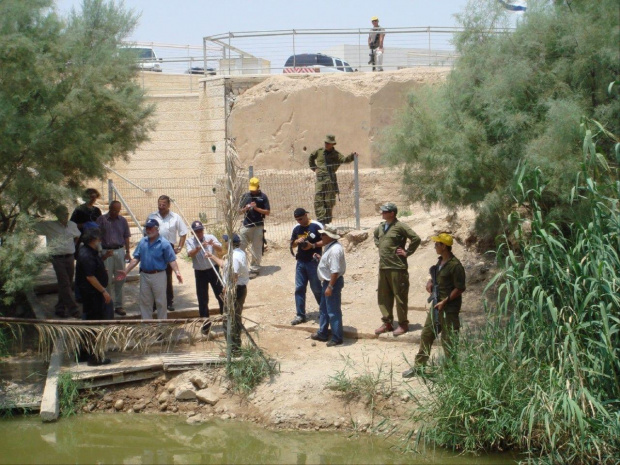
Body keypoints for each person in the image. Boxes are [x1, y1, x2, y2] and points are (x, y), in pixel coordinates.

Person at [403, 233, 466, 378]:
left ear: (444, 246)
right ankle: (419, 366)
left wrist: (445, 301)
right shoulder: (440, 262)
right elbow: (436, 278)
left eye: (437, 244)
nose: (435, 246)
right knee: (426, 335)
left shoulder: (455, 266)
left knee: (449, 340)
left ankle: (451, 373)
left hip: (449, 309)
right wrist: (431, 283)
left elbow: (460, 287)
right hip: (437, 306)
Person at [117, 219, 183, 320]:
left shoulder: (164, 243)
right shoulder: (143, 241)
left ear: (157, 229)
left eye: (150, 228)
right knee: (145, 302)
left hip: (159, 275)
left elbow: (172, 260)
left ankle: (162, 327)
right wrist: (126, 271)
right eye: (147, 228)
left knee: (161, 301)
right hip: (144, 275)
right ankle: (147, 327)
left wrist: (177, 272)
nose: (148, 230)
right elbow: (136, 259)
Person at [374, 202, 421, 336]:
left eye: (384, 211)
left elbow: (416, 238)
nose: (382, 213)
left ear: (392, 213)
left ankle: (403, 324)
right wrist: (380, 245)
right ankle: (387, 323)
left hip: (397, 267)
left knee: (400, 297)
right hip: (383, 267)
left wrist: (407, 252)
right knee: (383, 296)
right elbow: (375, 237)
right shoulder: (381, 226)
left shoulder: (400, 226)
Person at [205, 234, 250, 355]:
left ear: (229, 243)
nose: (224, 243)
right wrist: (212, 256)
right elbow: (225, 266)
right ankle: (234, 348)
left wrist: (226, 289)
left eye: (225, 241)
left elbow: (234, 276)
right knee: (233, 319)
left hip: (235, 291)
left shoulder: (235, 257)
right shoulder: (237, 254)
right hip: (237, 289)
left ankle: (233, 350)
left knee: (229, 320)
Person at [34, 205, 81, 318]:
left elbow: (77, 235)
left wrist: (72, 246)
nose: (65, 216)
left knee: (66, 284)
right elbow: (33, 227)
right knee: (64, 283)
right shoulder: (49, 226)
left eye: (66, 214)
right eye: (62, 214)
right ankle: (73, 309)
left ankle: (60, 308)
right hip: (57, 258)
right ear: (57, 215)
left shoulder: (72, 225)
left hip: (70, 257)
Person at [75, 228, 112, 366]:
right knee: (94, 326)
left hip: (91, 295)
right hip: (93, 296)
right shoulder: (87, 255)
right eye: (98, 239)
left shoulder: (90, 252)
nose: (100, 241)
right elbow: (90, 277)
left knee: (89, 325)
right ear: (92, 240)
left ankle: (84, 354)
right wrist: (103, 291)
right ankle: (95, 357)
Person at [148, 195, 187, 311]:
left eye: (164, 204)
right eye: (159, 204)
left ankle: (169, 302)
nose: (161, 207)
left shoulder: (175, 217)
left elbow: (183, 233)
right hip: (154, 248)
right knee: (155, 276)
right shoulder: (152, 216)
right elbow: (146, 233)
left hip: (169, 248)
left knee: (167, 276)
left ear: (169, 205)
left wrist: (179, 247)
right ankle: (155, 303)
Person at [309, 135, 358, 225]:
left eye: (328, 143)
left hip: (330, 181)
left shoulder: (336, 154)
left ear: (333, 144)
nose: (326, 144)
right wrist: (314, 168)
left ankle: (327, 222)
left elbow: (344, 160)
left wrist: (352, 156)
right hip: (320, 180)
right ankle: (321, 221)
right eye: (325, 143)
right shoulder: (319, 152)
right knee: (318, 201)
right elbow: (311, 157)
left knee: (329, 201)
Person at [310, 224, 346, 347]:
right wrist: (321, 259)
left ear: (330, 236)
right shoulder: (330, 247)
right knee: (324, 309)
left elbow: (335, 271)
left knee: (333, 311)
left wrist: (330, 287)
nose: (321, 236)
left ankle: (337, 337)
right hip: (328, 282)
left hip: (332, 283)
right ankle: (323, 333)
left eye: (323, 234)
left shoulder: (335, 250)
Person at [185, 220, 224, 328]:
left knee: (220, 293)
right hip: (200, 272)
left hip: (213, 269)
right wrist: (198, 247)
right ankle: (206, 324)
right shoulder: (189, 241)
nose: (199, 233)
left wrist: (213, 245)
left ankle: (225, 317)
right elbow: (190, 254)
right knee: (202, 298)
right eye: (197, 231)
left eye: (201, 230)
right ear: (193, 232)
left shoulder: (210, 237)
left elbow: (220, 249)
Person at [96, 200, 131, 316]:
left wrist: (127, 252)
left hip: (120, 251)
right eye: (113, 210)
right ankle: (108, 304)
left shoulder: (123, 221)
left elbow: (126, 236)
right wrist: (100, 252)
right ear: (109, 208)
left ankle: (119, 305)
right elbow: (97, 236)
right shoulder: (101, 219)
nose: (115, 212)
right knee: (106, 279)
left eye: (117, 210)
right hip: (106, 251)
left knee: (120, 278)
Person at [289, 208, 323, 325]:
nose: (299, 221)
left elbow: (326, 240)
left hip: (313, 261)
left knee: (317, 288)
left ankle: (324, 310)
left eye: (301, 219)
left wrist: (312, 245)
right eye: (297, 219)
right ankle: (300, 315)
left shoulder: (316, 226)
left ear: (306, 215)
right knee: (299, 288)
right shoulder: (296, 228)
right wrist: (297, 241)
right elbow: (291, 244)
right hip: (301, 262)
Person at [239, 177, 270, 277]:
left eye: (254, 189)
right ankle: (240, 268)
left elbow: (267, 212)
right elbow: (239, 211)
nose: (252, 191)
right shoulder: (245, 196)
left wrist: (256, 208)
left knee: (256, 248)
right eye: (251, 189)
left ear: (258, 187)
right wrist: (246, 208)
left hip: (258, 226)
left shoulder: (263, 197)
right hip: (246, 225)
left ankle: (255, 269)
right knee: (240, 246)